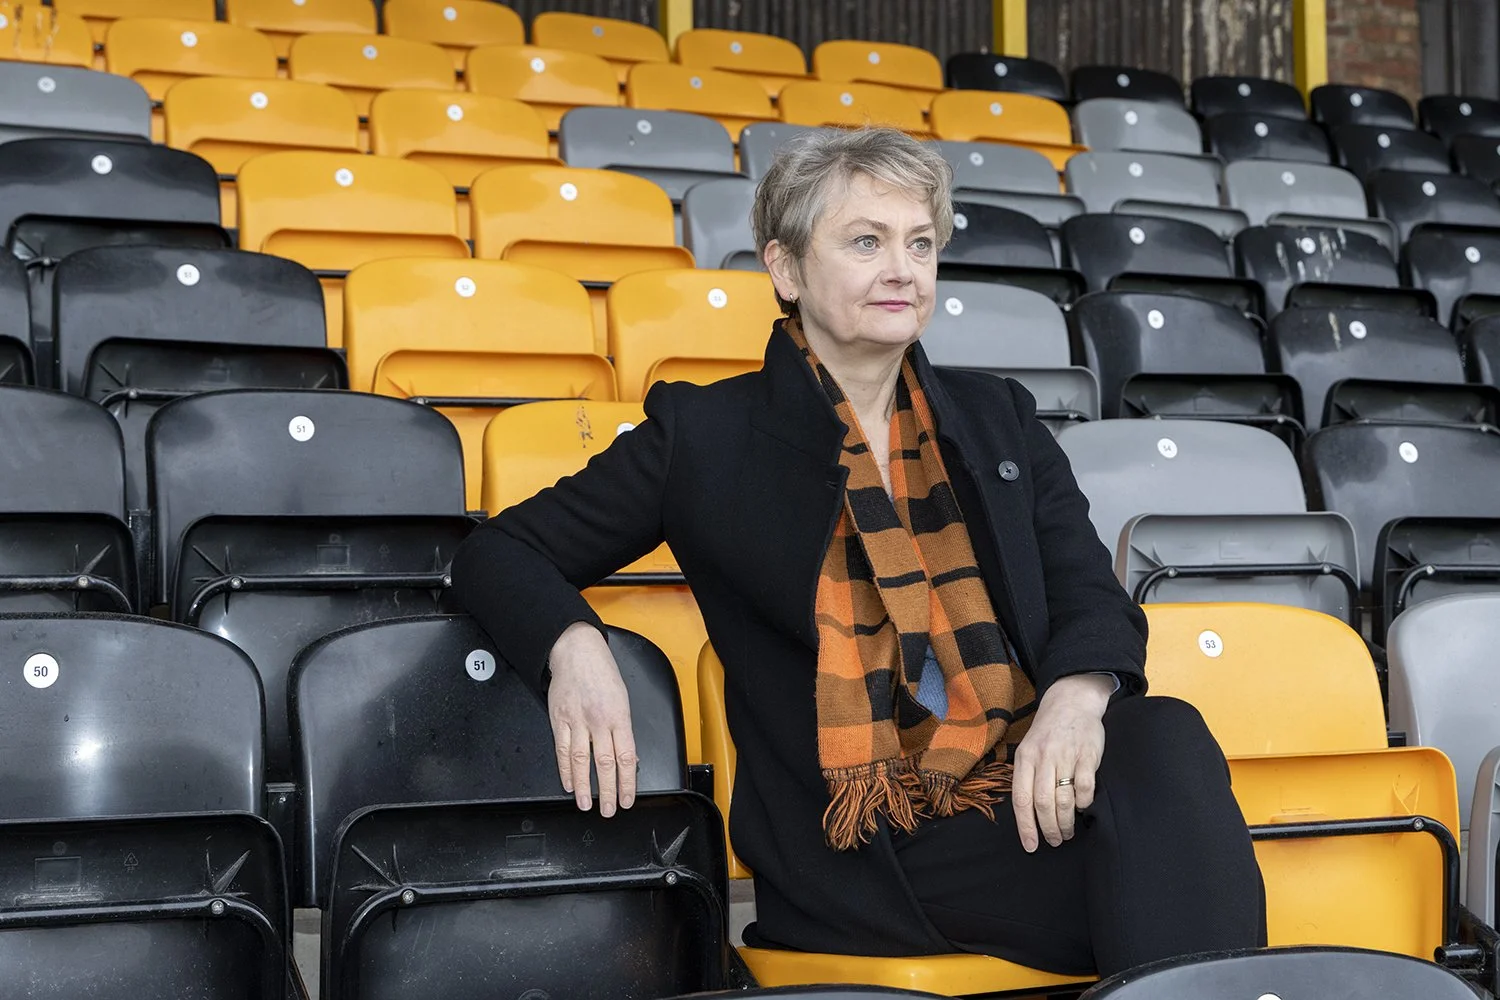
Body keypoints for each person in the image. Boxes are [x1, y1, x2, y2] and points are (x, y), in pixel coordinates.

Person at [452, 126, 1265, 977]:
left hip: (1014, 794)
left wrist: (1074, 699)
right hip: (859, 849)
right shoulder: (706, 434)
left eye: (920, 243)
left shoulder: (999, 419)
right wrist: (574, 646)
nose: (903, 270)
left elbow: (1090, 594)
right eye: (866, 242)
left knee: (1161, 739)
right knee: (1172, 882)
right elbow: (499, 551)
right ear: (786, 268)